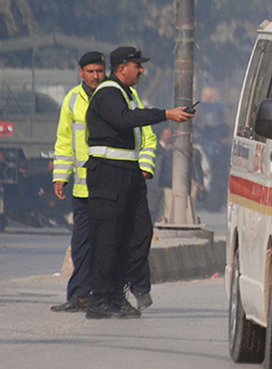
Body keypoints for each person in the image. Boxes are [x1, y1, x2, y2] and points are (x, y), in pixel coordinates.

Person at [84, 46, 193, 319]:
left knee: (138, 234)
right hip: (108, 174)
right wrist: (165, 114)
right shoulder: (108, 92)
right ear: (122, 68)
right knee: (108, 239)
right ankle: (101, 299)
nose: (141, 70)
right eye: (137, 65)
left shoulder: (127, 93)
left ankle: (117, 292)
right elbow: (124, 121)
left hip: (128, 174)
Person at [50, 52, 159, 314]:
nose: (96, 76)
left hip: (117, 179)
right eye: (90, 71)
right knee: (86, 245)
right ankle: (83, 295)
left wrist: (143, 167)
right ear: (81, 73)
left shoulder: (126, 95)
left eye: (99, 71)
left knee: (118, 239)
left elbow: (144, 135)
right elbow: (65, 140)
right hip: (87, 183)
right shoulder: (74, 99)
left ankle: (113, 294)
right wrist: (61, 175)